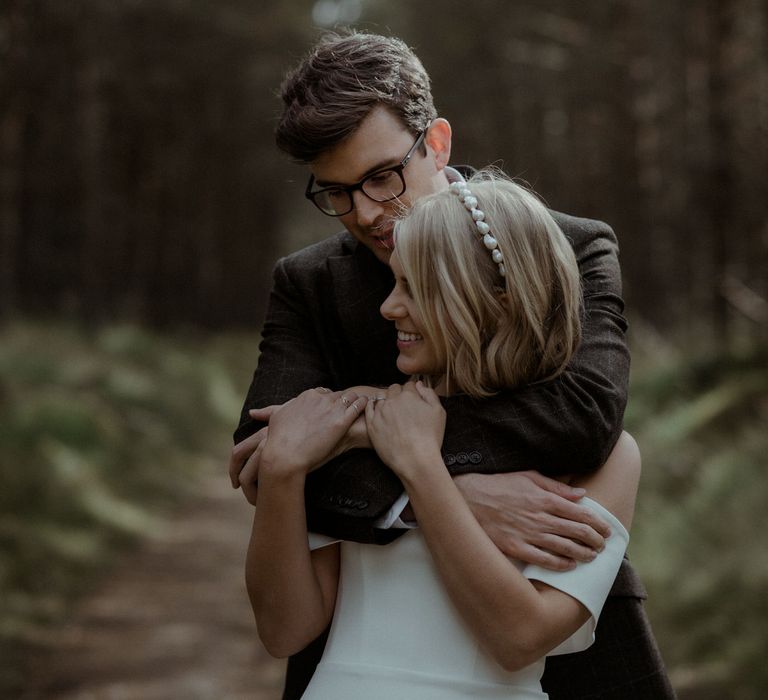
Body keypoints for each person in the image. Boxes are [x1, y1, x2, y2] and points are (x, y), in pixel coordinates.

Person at [229, 31, 674, 699]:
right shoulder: (309, 281)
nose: (369, 212)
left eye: (382, 175)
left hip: (570, 657)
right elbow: (265, 455)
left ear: (437, 142)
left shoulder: (569, 246)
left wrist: (357, 429)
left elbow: (581, 417)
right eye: (338, 193)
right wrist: (439, 495)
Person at [245, 173, 640, 699]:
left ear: (494, 300)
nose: (388, 307)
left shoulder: (609, 459)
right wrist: (282, 471)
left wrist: (424, 468)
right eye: (393, 283)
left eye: (414, 288)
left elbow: (520, 638)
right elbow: (284, 630)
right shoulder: (365, 415)